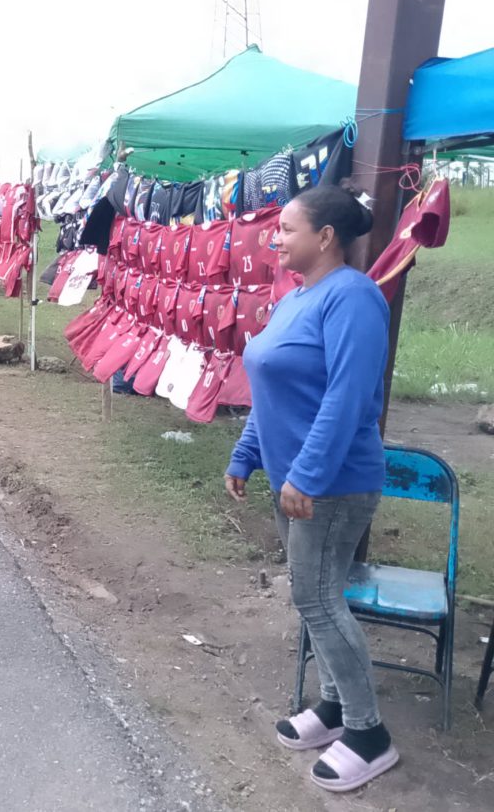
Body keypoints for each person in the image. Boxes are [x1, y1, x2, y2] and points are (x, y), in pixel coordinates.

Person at [225, 182, 397, 793]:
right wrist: (246, 454)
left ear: (325, 237)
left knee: (319, 599)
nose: (276, 238)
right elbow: (272, 385)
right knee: (312, 597)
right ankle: (332, 707)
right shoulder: (298, 297)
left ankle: (369, 734)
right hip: (293, 481)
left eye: (287, 229)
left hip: (330, 485)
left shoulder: (353, 298)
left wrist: (307, 475)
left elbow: (347, 399)